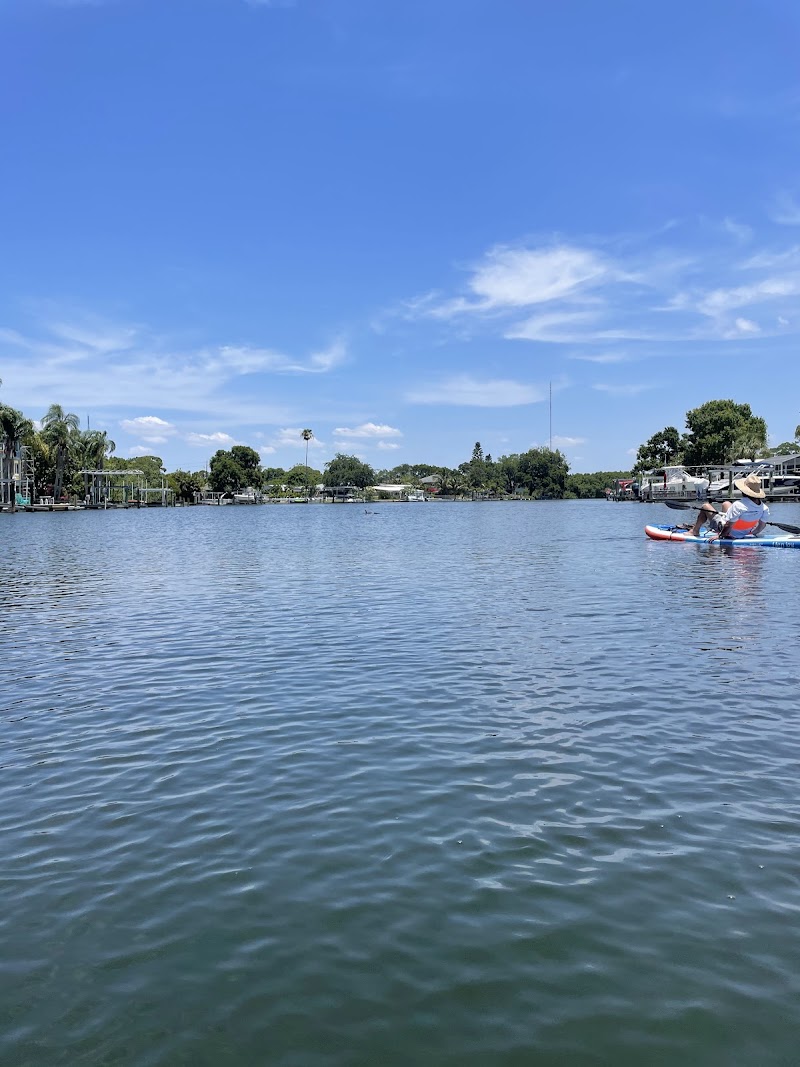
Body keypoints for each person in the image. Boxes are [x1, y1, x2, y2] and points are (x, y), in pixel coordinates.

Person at [690, 474, 769, 539]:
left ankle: (695, 531)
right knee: (726, 504)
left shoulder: (738, 505)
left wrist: (720, 536)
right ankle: (728, 522)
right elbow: (761, 526)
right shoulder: (764, 508)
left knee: (705, 506)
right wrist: (750, 534)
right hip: (745, 532)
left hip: (728, 531)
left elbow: (728, 525)